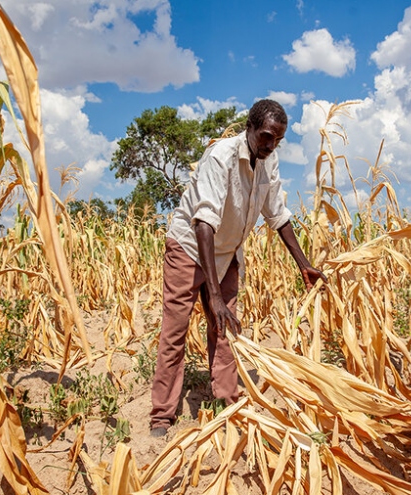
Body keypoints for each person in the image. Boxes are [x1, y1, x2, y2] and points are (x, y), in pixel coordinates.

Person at [149, 99, 325, 437]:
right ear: (249, 127)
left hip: (227, 252)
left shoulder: (267, 161)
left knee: (227, 329)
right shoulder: (221, 158)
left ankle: (227, 401)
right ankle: (161, 415)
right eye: (266, 136)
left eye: (277, 140)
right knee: (175, 332)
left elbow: (278, 215)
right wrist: (212, 295)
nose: (271, 145)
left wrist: (304, 265)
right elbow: (203, 223)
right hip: (190, 248)